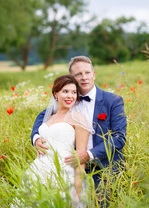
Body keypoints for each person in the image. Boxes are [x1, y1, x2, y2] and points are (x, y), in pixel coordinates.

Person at [31, 56, 127, 188]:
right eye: (78, 74)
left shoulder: (113, 100)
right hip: (69, 169)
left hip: (104, 169)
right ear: (72, 78)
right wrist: (36, 138)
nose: (84, 77)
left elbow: (119, 138)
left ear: (93, 74)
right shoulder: (68, 99)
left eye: (87, 72)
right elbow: (42, 117)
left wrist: (88, 155)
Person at [27, 75, 93, 207]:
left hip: (63, 171)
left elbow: (81, 157)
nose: (70, 96)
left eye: (74, 92)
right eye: (65, 91)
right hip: (39, 170)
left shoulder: (78, 118)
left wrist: (78, 190)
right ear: (55, 94)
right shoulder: (48, 117)